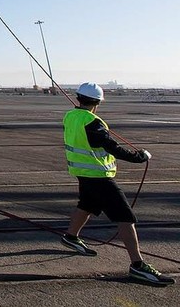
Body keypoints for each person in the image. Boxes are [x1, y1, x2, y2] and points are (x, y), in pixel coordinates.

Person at [59, 82, 174, 285]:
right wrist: (139, 157)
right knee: (125, 217)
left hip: (82, 173)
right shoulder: (93, 122)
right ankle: (137, 265)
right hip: (98, 176)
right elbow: (113, 148)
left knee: (86, 206)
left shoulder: (71, 116)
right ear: (98, 102)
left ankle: (71, 236)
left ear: (78, 98)